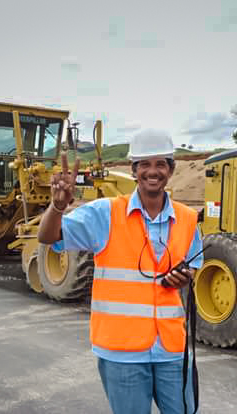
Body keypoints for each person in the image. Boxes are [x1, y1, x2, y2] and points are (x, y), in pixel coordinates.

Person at [38, 128, 203, 414]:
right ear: (134, 169)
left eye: (161, 164)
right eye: (145, 164)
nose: (153, 171)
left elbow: (192, 270)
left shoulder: (188, 220)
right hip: (121, 351)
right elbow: (48, 237)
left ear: (171, 169)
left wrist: (184, 278)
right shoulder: (104, 214)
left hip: (171, 349)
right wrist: (57, 206)